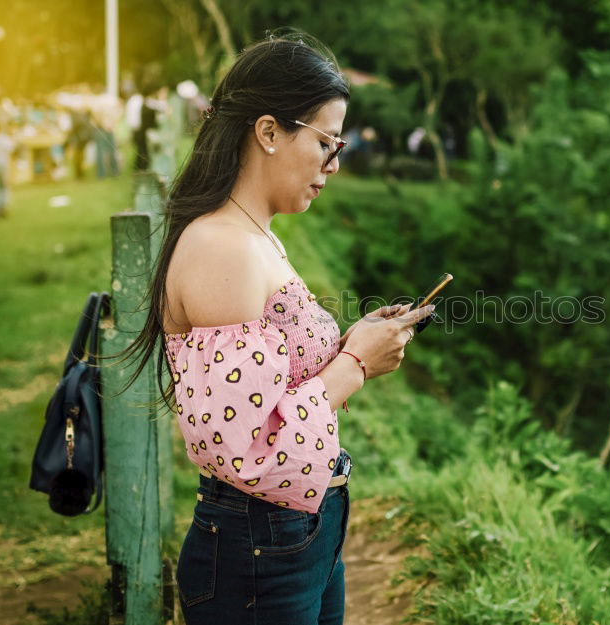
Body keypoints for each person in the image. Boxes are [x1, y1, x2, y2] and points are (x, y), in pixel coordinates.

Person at [122, 33, 434, 624]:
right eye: (324, 142)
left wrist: (351, 343)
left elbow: (268, 383)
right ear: (268, 132)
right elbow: (247, 447)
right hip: (260, 546)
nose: (335, 164)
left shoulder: (254, 235)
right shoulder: (222, 249)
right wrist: (356, 363)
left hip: (299, 532)